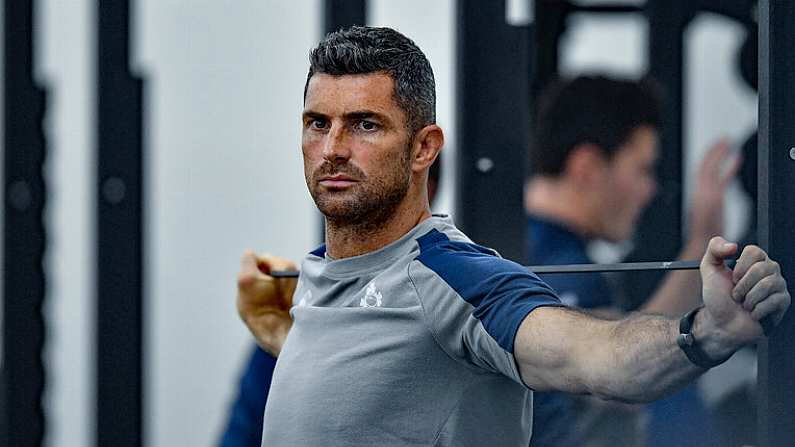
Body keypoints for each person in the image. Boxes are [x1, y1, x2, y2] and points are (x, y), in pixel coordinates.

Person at [236, 26, 790, 447]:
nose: (332, 147)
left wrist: (707, 332)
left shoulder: (456, 276)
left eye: (364, 124)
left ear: (425, 148)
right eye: (317, 123)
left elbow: (597, 358)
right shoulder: (313, 278)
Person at [525, 75, 741, 446]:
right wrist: (704, 240)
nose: (651, 189)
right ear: (587, 167)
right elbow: (622, 369)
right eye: (642, 169)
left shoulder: (523, 243)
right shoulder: (561, 269)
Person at [218, 156, 442, 447]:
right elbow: (244, 435)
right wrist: (289, 345)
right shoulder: (300, 311)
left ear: (425, 185)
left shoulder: (450, 309)